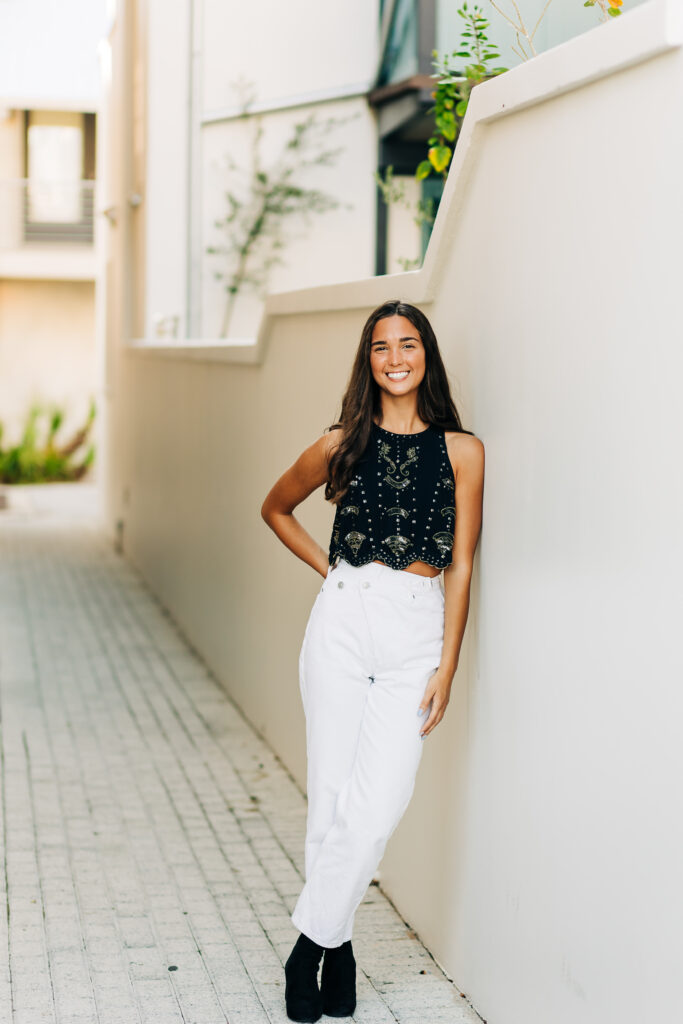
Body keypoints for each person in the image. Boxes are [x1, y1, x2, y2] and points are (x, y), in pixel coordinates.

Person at [261, 299, 484, 1022]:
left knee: (377, 801)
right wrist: (333, 577)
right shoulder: (339, 444)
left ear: (426, 356)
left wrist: (447, 665)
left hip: (415, 633)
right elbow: (276, 508)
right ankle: (342, 949)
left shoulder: (463, 451)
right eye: (381, 346)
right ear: (368, 360)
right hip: (343, 622)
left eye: (408, 344)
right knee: (330, 797)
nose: (395, 357)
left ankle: (309, 946)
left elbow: (461, 564)